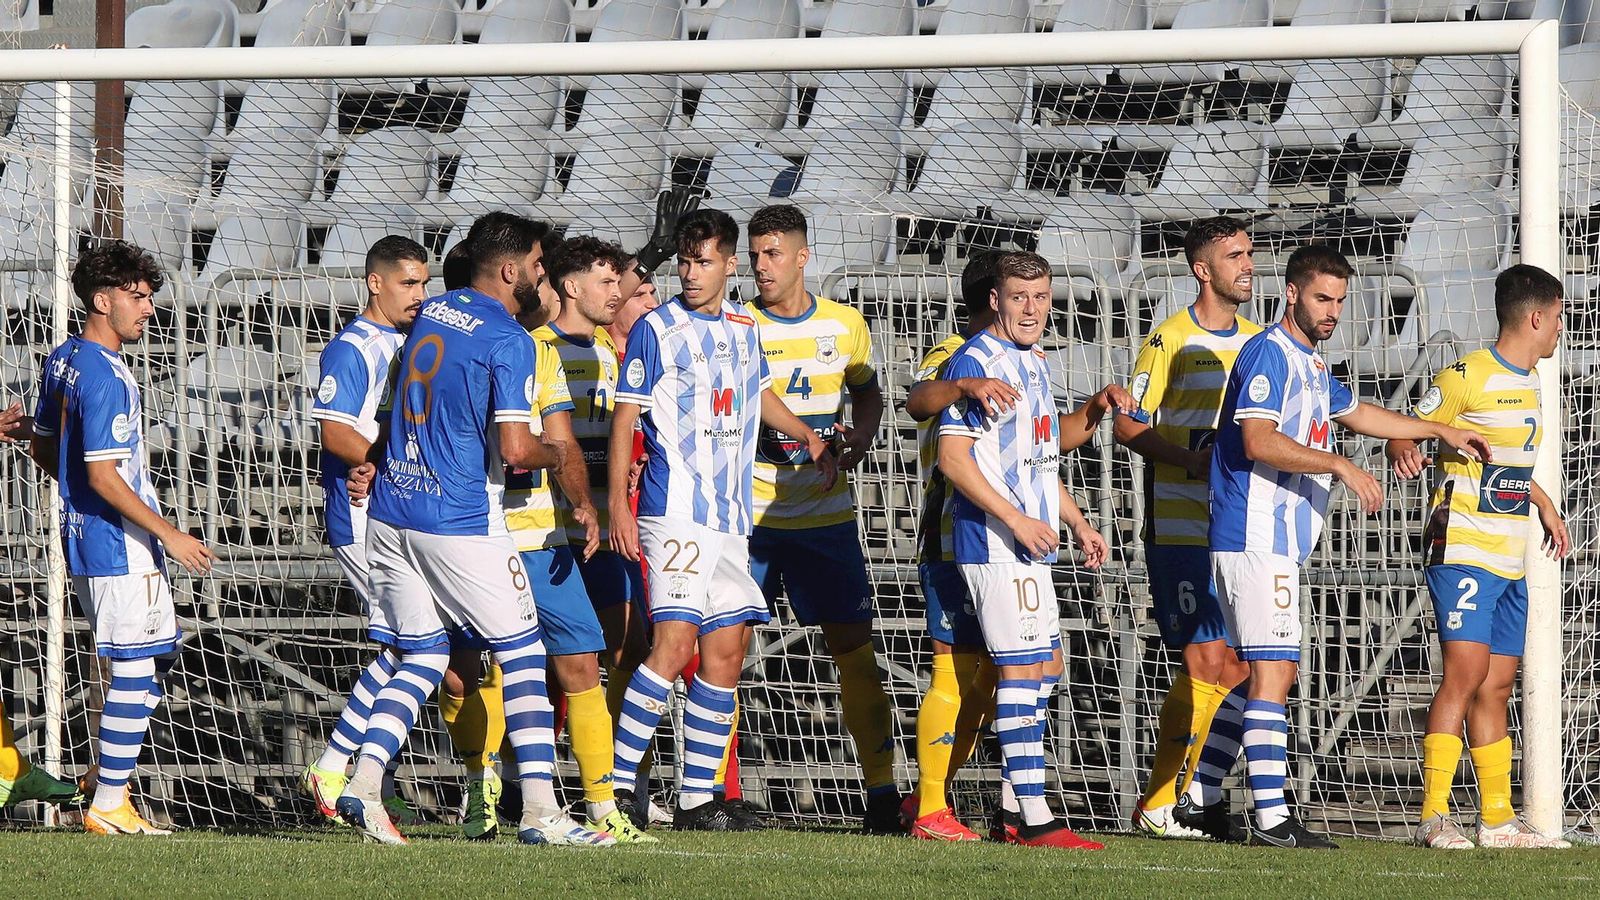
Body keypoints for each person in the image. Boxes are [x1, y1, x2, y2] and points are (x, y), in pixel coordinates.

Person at [333, 212, 611, 847]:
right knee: (522, 651)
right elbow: (515, 450)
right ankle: (542, 810)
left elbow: (397, 402)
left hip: (391, 515)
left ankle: (364, 782)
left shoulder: (433, 312)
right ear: (511, 271)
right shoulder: (508, 340)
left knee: (425, 653)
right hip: (459, 518)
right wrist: (556, 451)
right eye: (540, 266)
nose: (544, 277)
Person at [1209, 244, 1491, 849]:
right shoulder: (1269, 353)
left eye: (1339, 300)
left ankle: (1201, 800)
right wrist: (1339, 464)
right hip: (1255, 534)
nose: (1332, 311)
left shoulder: (1310, 364)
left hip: (1275, 542)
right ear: (1290, 293)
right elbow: (1257, 440)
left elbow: (1359, 412)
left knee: (1258, 673)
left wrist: (1437, 428)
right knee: (1274, 671)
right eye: (1321, 297)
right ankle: (1272, 819)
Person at [606, 208, 837, 831]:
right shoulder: (658, 328)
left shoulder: (742, 325)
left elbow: (760, 394)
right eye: (683, 262)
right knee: (674, 643)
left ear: (729, 264)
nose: (690, 273)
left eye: (703, 261)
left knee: (726, 652)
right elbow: (626, 419)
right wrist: (615, 509)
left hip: (731, 520)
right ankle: (618, 789)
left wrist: (810, 439)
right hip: (674, 511)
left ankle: (697, 798)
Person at [902, 251, 1128, 841]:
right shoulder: (976, 358)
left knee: (1039, 666)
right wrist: (1015, 520)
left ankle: (1006, 807)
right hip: (985, 543)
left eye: (1041, 297)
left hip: (1024, 544)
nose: (1032, 308)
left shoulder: (1031, 363)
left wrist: (1077, 523)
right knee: (1003, 670)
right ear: (994, 301)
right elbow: (951, 455)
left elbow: (1038, 459)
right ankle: (1026, 816)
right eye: (1018, 297)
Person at [30, 240, 216, 834]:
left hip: (88, 535)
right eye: (136, 297)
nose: (148, 309)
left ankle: (103, 780)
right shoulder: (105, 375)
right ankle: (108, 803)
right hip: (118, 542)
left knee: (157, 656)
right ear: (100, 299)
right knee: (136, 663)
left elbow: (44, 445)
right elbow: (102, 474)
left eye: (150, 298)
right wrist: (172, 536)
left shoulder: (62, 358)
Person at [1389, 264, 1572, 850]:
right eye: (1560, 318)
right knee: (1464, 677)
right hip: (1462, 548)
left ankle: (1496, 820)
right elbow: (1406, 428)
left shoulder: (1532, 382)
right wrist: (1402, 447)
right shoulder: (1465, 374)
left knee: (1496, 685)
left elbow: (1505, 466)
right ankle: (1433, 816)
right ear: (1537, 316)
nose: (1562, 330)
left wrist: (1542, 503)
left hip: (1509, 554)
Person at [743, 203, 899, 831]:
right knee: (720, 656)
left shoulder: (844, 324)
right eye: (754, 255)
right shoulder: (735, 325)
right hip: (747, 519)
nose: (761, 267)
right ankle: (711, 795)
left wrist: (857, 442)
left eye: (773, 253)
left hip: (824, 520)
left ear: (804, 256)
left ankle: (883, 794)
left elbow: (868, 390)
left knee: (854, 653)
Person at [1117, 216, 1260, 840]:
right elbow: (1127, 425)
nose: (1248, 265)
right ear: (1203, 270)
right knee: (1207, 659)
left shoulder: (1260, 342)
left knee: (1242, 668)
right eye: (1234, 256)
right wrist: (1191, 460)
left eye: (1250, 254)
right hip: (1180, 528)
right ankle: (1158, 802)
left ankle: (1198, 798)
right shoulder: (1169, 338)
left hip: (1242, 529)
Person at [524, 234, 656, 843]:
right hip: (554, 528)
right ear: (571, 286)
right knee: (553, 662)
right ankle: (522, 780)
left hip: (608, 524)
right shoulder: (536, 350)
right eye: (605, 283)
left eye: (617, 282)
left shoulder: (609, 348)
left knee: (624, 644)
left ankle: (619, 783)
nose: (616, 293)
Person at [300, 235, 431, 827]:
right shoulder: (354, 349)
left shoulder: (411, 343)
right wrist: (388, 457)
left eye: (424, 283)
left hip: (398, 510)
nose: (418, 294)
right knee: (416, 644)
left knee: (405, 643)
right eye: (408, 283)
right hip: (361, 516)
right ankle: (335, 770)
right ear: (375, 283)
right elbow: (335, 434)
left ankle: (339, 769)